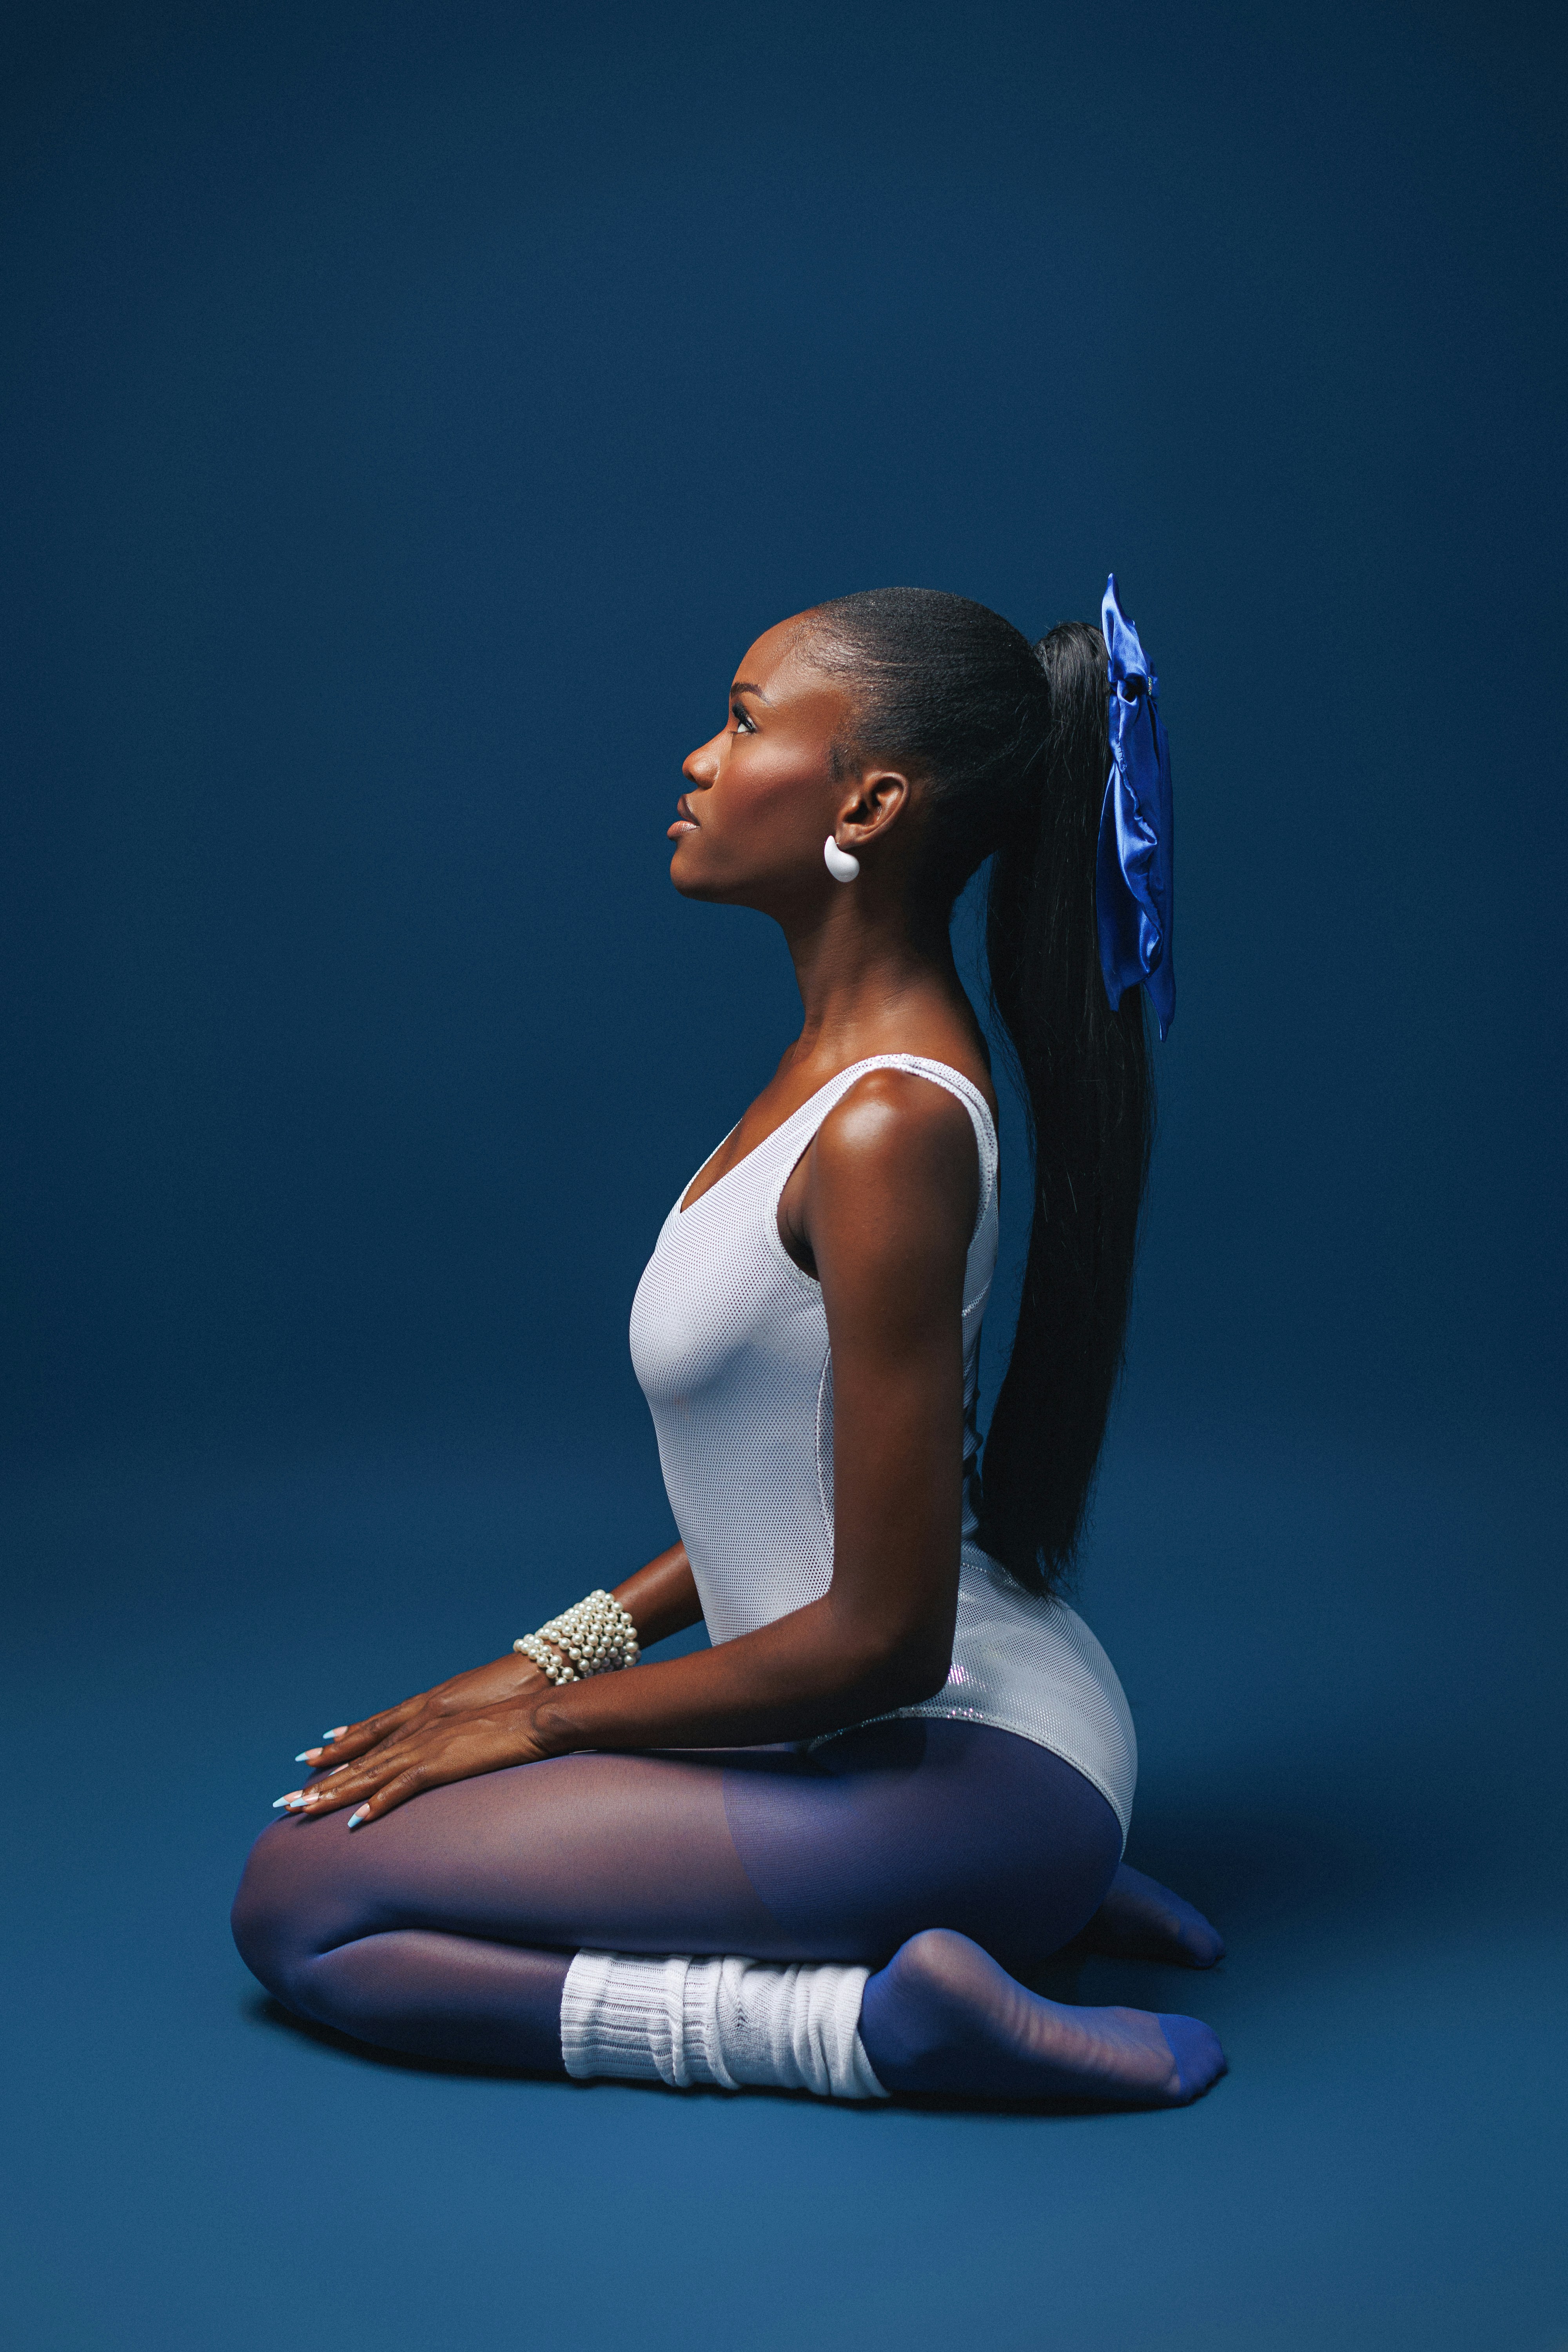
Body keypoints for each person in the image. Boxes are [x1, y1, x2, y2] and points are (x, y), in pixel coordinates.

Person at [232, 581, 1227, 2107]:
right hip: (905, 1750)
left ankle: (874, 2026)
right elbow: (782, 1486)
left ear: (870, 801)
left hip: (954, 1762)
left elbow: (882, 1640)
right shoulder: (825, 1078)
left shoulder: (888, 1121)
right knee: (345, 1849)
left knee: (300, 1907)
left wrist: (532, 1723)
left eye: (747, 722)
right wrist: (532, 1661)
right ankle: (1004, 1907)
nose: (698, 759)